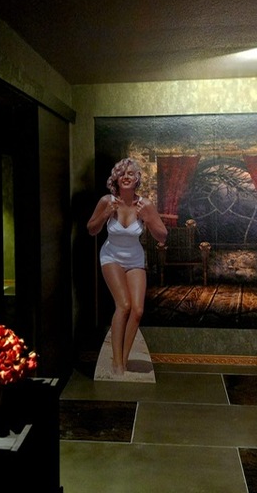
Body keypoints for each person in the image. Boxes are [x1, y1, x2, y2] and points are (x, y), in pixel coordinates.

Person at [87, 158, 167, 375]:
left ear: (137, 179)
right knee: (123, 305)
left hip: (134, 259)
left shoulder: (145, 205)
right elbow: (91, 229)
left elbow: (162, 236)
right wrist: (105, 214)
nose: (126, 177)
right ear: (116, 178)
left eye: (130, 173)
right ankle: (117, 363)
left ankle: (123, 358)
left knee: (137, 310)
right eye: (122, 173)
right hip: (111, 256)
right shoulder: (107, 201)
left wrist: (148, 219)